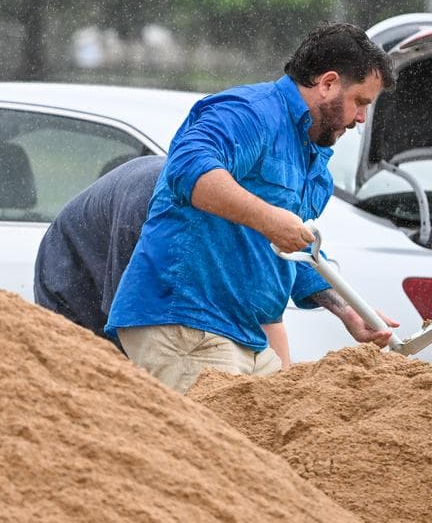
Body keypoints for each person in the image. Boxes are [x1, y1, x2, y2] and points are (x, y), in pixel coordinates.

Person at [105, 22, 398, 394]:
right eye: (361, 102)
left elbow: (293, 248)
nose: (361, 120)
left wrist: (347, 308)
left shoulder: (312, 158)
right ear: (327, 83)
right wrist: (270, 219)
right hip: (187, 323)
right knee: (217, 452)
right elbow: (187, 169)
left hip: (247, 335)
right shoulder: (250, 113)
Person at [34, 155, 290, 367]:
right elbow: (133, 319)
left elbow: (267, 313)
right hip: (73, 279)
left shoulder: (241, 218)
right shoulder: (150, 212)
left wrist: (283, 389)